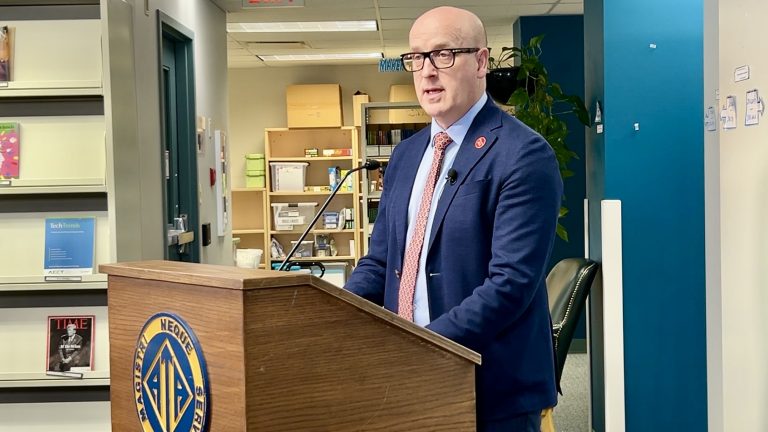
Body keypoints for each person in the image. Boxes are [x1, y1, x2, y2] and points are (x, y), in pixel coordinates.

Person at [344, 6, 562, 431]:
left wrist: (425, 345)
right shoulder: (406, 156)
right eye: (416, 57)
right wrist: (338, 315)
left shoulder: (523, 154)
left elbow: (511, 284)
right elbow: (381, 262)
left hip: (491, 389)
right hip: (408, 375)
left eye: (443, 54)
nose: (426, 71)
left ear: (480, 62)